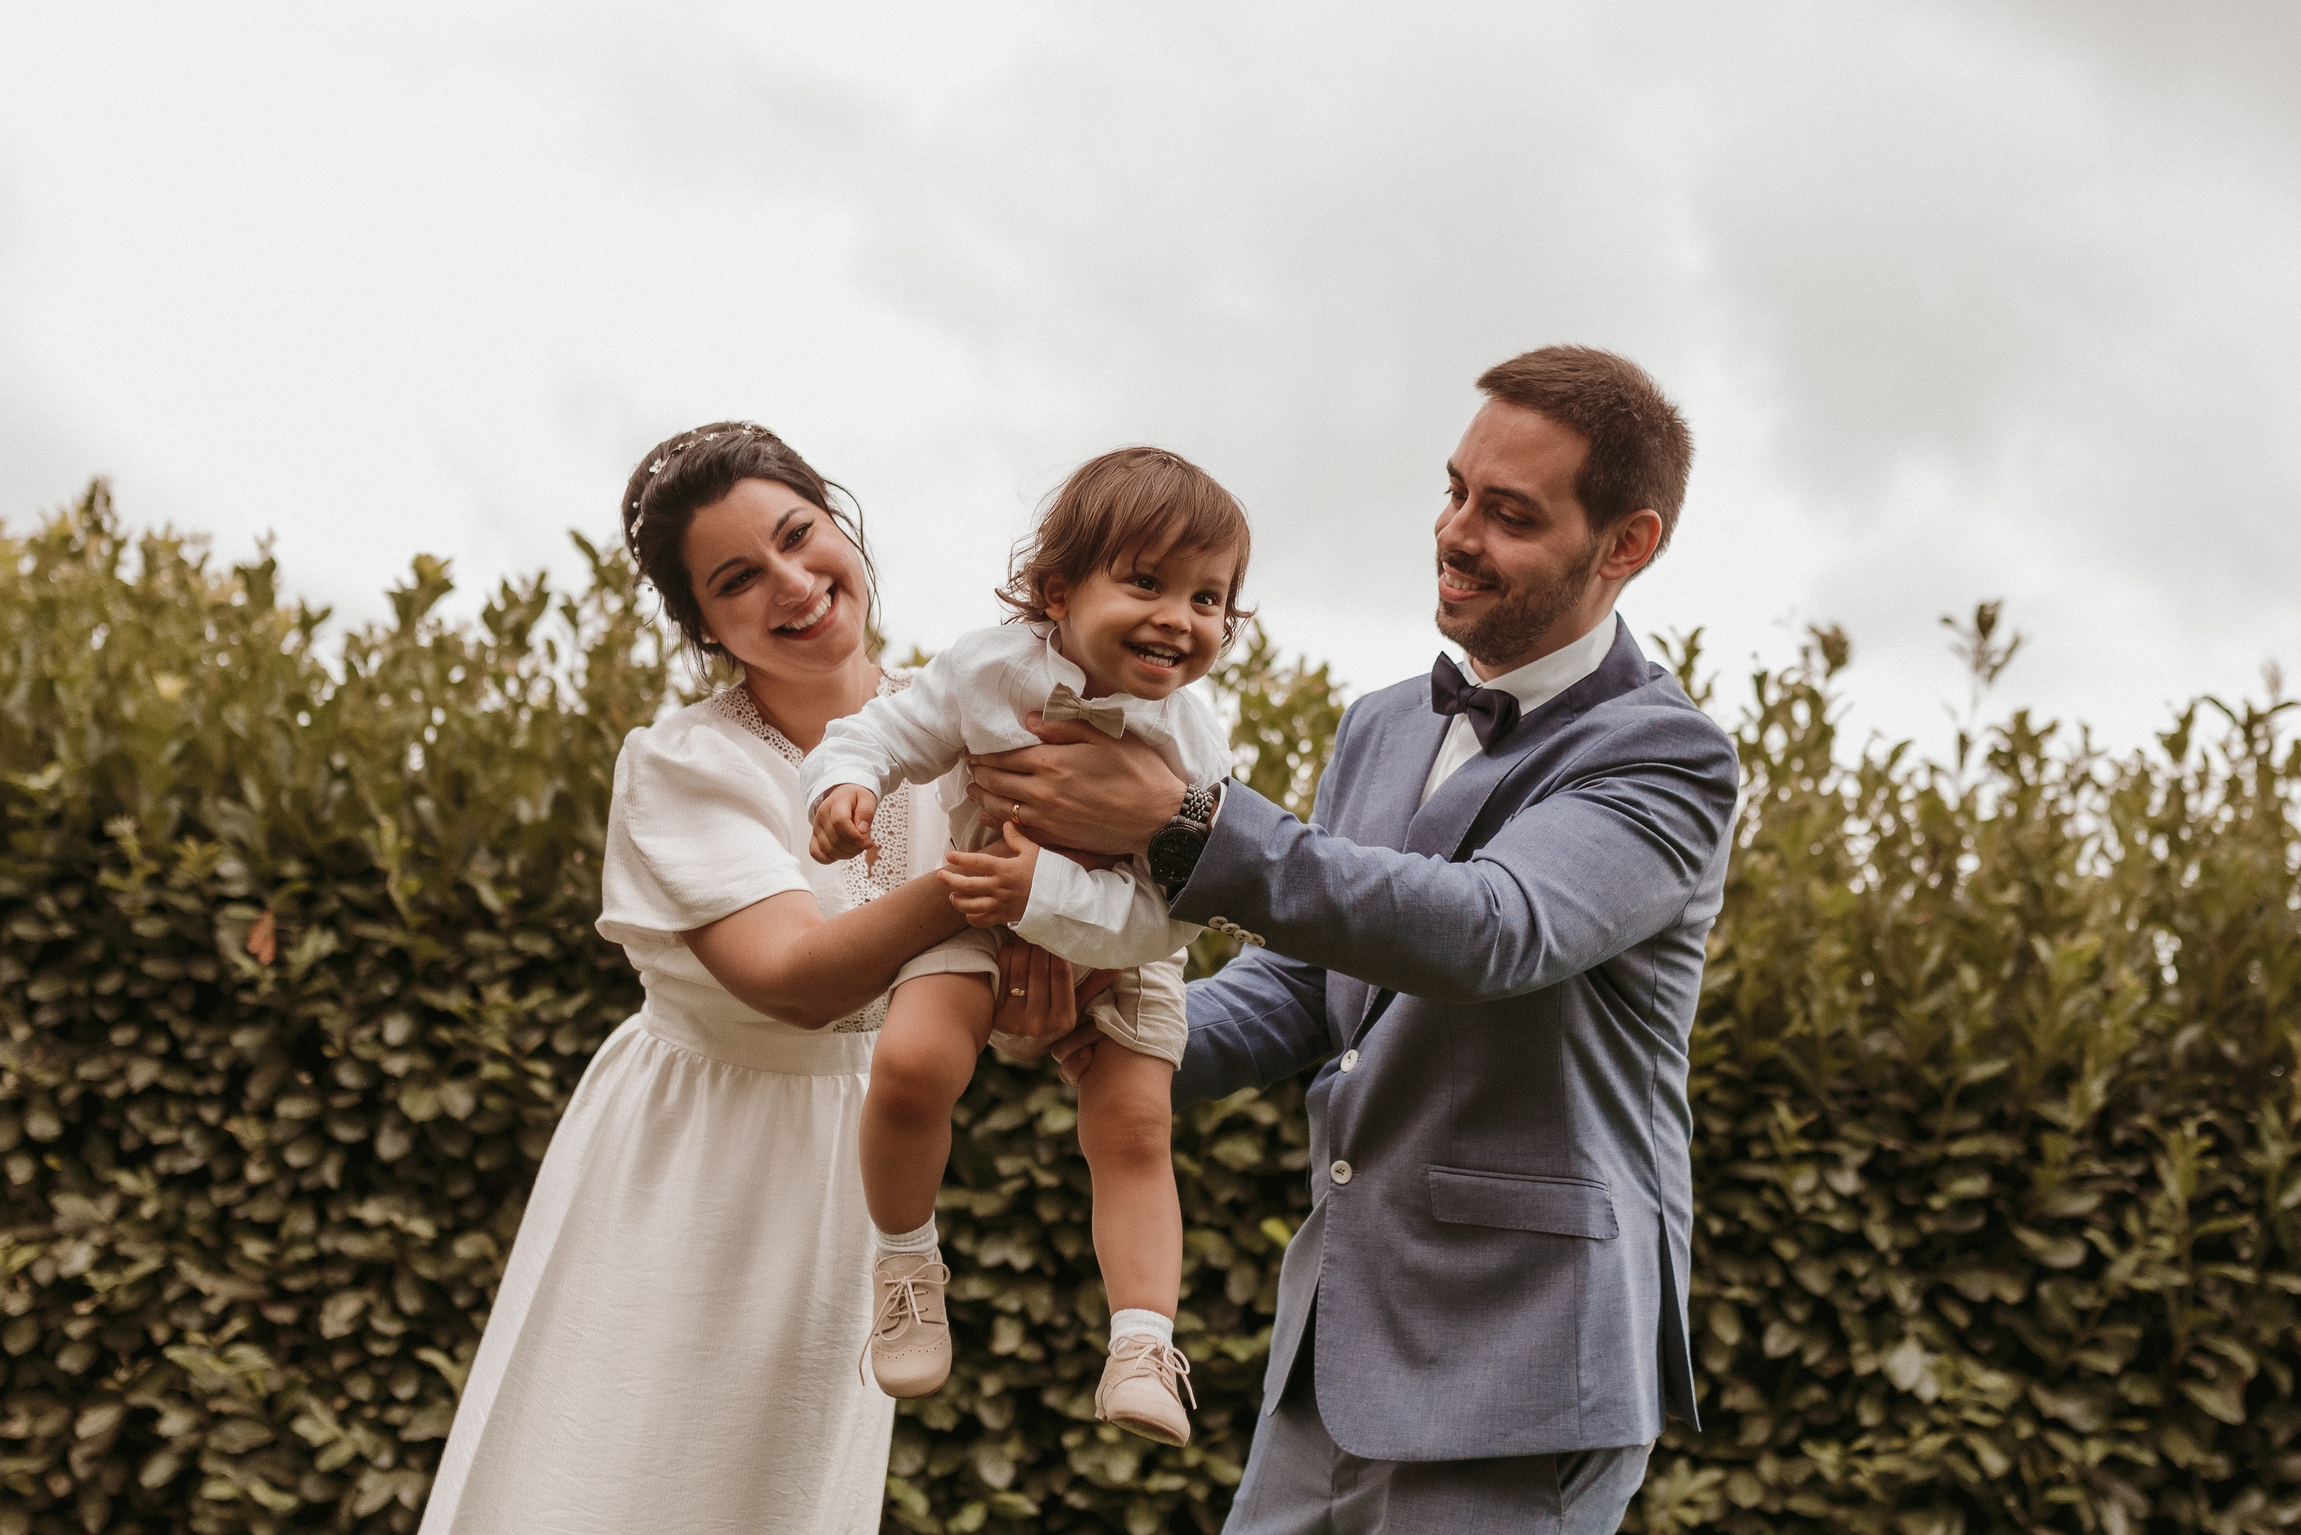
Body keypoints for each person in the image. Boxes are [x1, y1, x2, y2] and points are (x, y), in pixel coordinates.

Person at [967, 348, 1741, 1534]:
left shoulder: (1668, 757)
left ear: (1625, 544)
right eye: (1456, 490)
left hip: (1522, 1365)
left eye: (1510, 513)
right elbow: (1297, 983)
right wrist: (1102, 1018)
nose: (1457, 531)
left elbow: (1492, 928)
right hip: (1330, 1354)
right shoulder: (1381, 724)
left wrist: (1182, 821)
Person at [419, 422, 1085, 1535]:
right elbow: (793, 979)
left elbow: (984, 993)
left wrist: (1040, 976)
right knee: (614, 1469)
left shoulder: (973, 730)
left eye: (798, 536)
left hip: (852, 1169)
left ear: (840, 526)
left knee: (776, 1491)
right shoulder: (686, 764)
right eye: (737, 578)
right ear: (703, 626)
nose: (792, 583)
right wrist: (1000, 895)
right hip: (686, 1159)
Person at [799, 446, 1247, 1445]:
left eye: (1210, 597)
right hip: (975, 909)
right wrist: (844, 788)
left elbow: (1181, 908)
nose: (1182, 616)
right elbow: (874, 729)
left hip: (1127, 941)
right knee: (910, 1064)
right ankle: (906, 1260)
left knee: (1133, 1129)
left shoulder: (1195, 744)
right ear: (1057, 589)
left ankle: (1142, 1343)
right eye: (1148, 582)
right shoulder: (985, 671)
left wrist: (1046, 893)